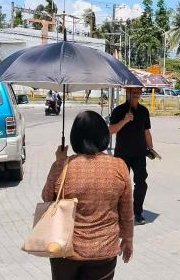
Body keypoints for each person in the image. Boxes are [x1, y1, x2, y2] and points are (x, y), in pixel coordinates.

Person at [42, 110, 133, 280]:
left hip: (65, 250)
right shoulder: (119, 166)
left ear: (75, 137)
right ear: (103, 135)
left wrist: (59, 161)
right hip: (104, 251)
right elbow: (127, 210)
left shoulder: (63, 166)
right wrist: (128, 239)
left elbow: (47, 197)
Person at [109, 87, 153, 225]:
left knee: (141, 183)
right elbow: (111, 130)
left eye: (138, 90)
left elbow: (146, 131)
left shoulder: (144, 111)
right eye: (133, 90)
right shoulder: (119, 110)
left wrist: (151, 148)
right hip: (123, 154)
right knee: (121, 185)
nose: (136, 93)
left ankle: (138, 212)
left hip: (140, 153)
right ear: (127, 92)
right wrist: (125, 120)